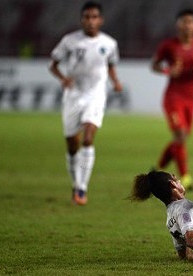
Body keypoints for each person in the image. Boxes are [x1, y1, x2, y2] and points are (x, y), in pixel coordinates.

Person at [49, 1, 122, 205]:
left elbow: (111, 65)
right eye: (86, 17)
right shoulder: (70, 41)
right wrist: (62, 78)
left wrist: (115, 81)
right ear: (82, 20)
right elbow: (52, 65)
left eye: (94, 17)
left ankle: (82, 189)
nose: (90, 21)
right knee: (72, 145)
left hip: (96, 95)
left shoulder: (109, 43)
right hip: (73, 96)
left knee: (88, 138)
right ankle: (76, 183)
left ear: (100, 20)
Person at [151, 9, 193, 190]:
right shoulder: (169, 45)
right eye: (184, 21)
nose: (187, 25)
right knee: (181, 135)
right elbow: (154, 65)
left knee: (181, 138)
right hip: (173, 96)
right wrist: (168, 71)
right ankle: (185, 176)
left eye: (191, 21)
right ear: (178, 24)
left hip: (190, 97)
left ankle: (157, 170)